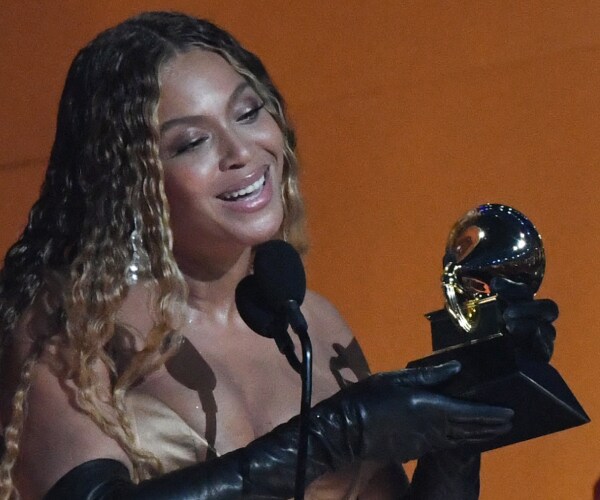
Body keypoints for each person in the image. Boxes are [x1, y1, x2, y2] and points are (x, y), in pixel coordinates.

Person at [0, 11, 558, 500]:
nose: (242, 152)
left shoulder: (314, 322)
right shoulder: (74, 331)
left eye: (247, 113)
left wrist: (464, 417)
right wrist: (334, 435)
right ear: (129, 182)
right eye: (191, 142)